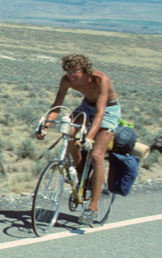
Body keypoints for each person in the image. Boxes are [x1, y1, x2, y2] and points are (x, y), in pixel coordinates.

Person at [36, 53, 121, 226]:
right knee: (68, 133)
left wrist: (90, 136)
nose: (71, 76)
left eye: (75, 71)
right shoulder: (66, 79)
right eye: (68, 71)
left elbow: (100, 112)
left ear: (85, 70)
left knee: (97, 155)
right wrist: (45, 125)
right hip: (86, 106)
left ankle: (93, 206)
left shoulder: (100, 80)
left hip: (107, 111)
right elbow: (57, 104)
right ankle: (81, 168)